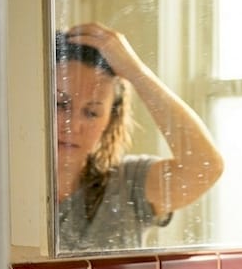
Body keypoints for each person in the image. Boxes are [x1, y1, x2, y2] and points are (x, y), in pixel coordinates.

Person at [54, 22, 224, 251]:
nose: (73, 125)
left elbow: (205, 166)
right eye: (60, 104)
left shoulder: (127, 184)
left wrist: (135, 71)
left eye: (92, 112)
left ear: (109, 121)